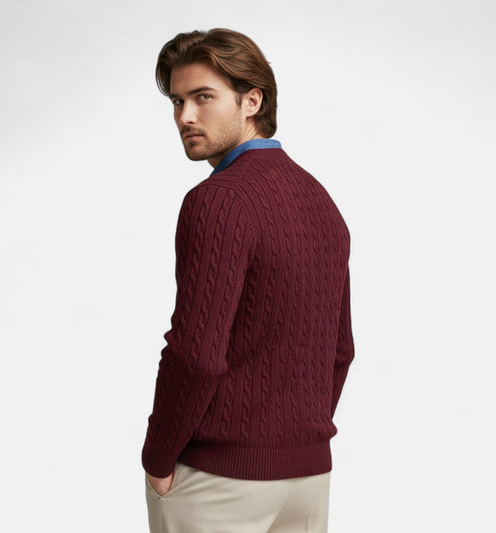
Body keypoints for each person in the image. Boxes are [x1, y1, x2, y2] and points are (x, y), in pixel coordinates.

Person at [141, 28, 355, 533]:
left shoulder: (217, 200)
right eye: (177, 101)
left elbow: (195, 353)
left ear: (252, 100)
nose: (185, 116)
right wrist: (296, 441)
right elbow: (340, 350)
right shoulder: (319, 199)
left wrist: (158, 457)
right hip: (309, 476)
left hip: (221, 481)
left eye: (203, 97)